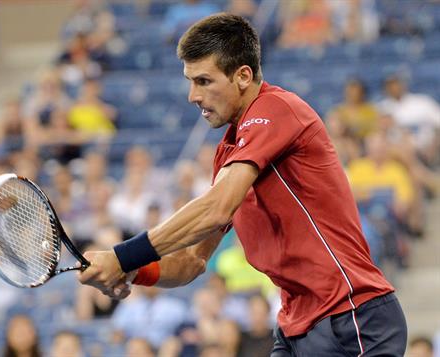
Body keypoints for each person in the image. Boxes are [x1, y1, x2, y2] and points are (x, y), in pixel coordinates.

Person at [78, 14, 407, 356]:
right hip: (296, 326)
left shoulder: (276, 109)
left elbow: (216, 207)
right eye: (190, 81)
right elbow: (191, 260)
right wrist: (134, 271)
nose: (193, 95)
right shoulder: (228, 157)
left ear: (243, 76)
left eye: (204, 81)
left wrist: (122, 255)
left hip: (351, 316)